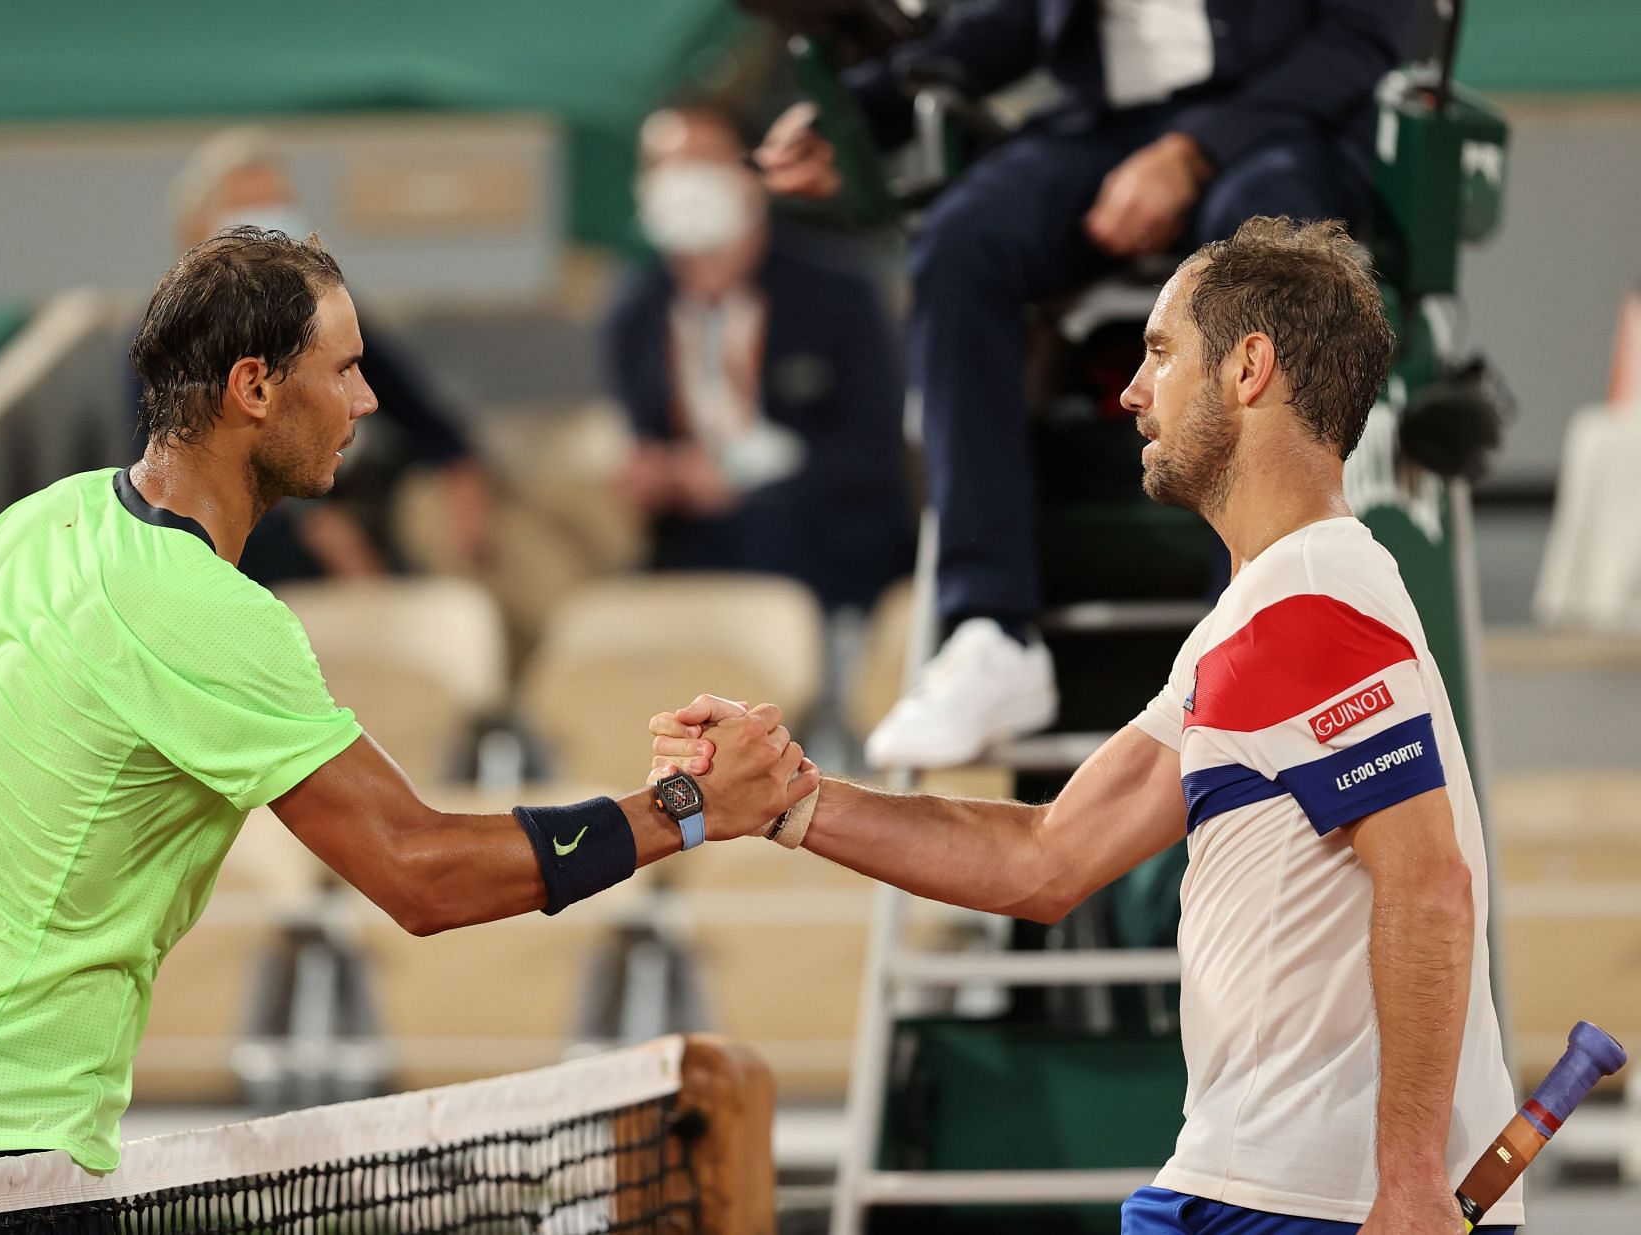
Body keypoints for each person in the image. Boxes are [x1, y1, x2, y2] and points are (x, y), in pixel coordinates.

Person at [0, 228, 816, 1184]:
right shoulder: (210, 613)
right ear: (255, 387)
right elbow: (417, 873)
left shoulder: (27, 528)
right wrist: (683, 808)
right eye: (347, 368)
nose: (366, 401)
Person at [653, 219, 1520, 1234]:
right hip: (1259, 1184)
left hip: (1314, 1203)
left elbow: (1431, 882)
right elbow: (1045, 857)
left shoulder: (1314, 598)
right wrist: (793, 802)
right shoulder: (1251, 622)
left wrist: (1413, 1180)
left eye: (1160, 352)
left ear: (1249, 367)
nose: (1130, 391)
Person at [754, 0, 1417, 763]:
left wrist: (1192, 151)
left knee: (1255, 268)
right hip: (1104, 124)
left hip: (1288, 124)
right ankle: (990, 631)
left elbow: (1362, 39)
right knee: (959, 245)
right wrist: (853, 114)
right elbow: (1006, 24)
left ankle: (1249, 629)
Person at [606, 105, 913, 612]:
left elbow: (871, 452)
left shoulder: (840, 290)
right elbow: (644, 436)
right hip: (696, 548)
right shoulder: (635, 308)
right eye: (660, 164)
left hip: (823, 541)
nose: (680, 180)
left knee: (770, 532)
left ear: (752, 176)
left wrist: (739, 474)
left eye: (700, 159)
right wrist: (654, 473)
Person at [166, 126, 493, 583]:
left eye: (278, 204)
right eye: (246, 210)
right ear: (198, 230)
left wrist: (459, 468)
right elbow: (173, 478)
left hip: (346, 504)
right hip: (246, 537)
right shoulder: (175, 335)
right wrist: (307, 527)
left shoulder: (323, 313)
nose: (267, 223)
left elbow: (411, 405)